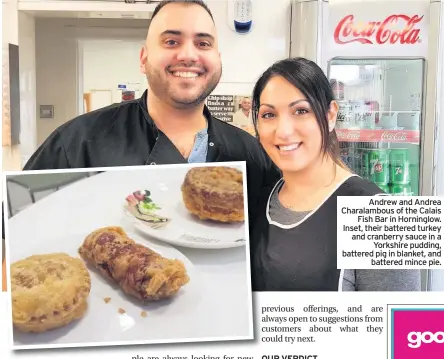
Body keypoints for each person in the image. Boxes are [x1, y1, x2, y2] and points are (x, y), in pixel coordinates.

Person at [21, 0, 280, 227]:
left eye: (203, 43)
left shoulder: (250, 153)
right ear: (143, 59)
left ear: (217, 59)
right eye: (171, 41)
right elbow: (16, 237)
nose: (189, 54)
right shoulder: (76, 143)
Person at [250, 57, 421, 292]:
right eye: (269, 115)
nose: (284, 131)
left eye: (301, 110)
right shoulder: (258, 199)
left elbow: (407, 325)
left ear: (331, 115)